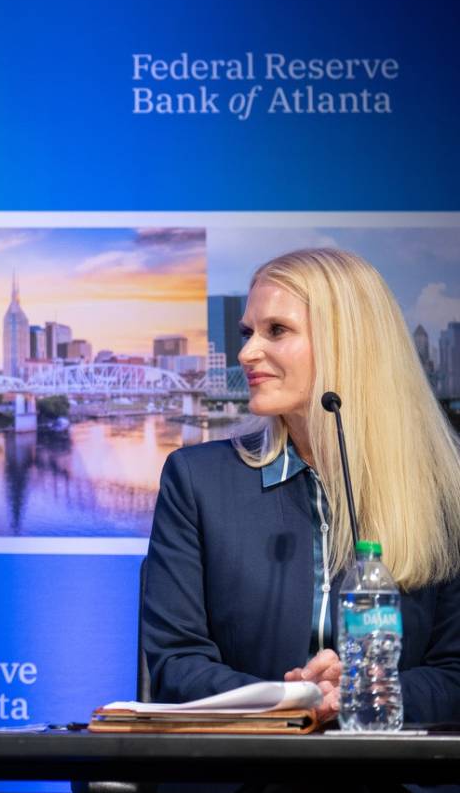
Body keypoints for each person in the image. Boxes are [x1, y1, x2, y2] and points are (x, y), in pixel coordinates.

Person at [143, 247, 460, 724]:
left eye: (277, 331)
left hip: (396, 782)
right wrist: (292, 698)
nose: (247, 353)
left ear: (347, 344)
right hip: (241, 779)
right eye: (247, 332)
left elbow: (454, 673)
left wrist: (359, 695)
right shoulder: (196, 481)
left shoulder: (445, 488)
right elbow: (176, 664)